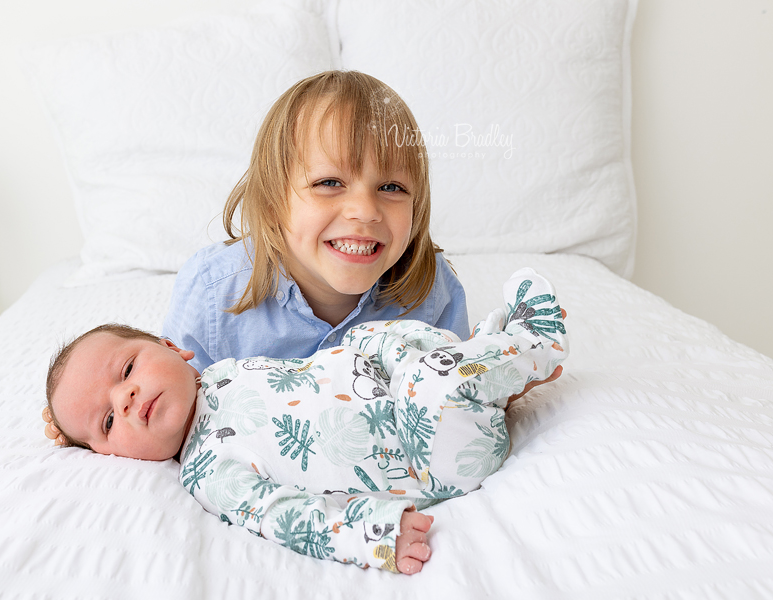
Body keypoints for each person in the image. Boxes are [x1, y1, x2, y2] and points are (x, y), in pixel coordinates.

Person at [44, 268, 568, 575]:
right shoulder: (207, 471)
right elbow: (285, 516)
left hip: (393, 382)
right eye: (109, 420)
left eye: (128, 369)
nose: (129, 397)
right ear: (112, 456)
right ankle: (530, 346)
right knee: (436, 385)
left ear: (171, 346)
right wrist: (373, 535)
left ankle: (485, 348)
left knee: (374, 338)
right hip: (430, 453)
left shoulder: (224, 371)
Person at [161, 70, 470, 375]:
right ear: (272, 204)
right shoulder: (210, 295)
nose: (364, 211)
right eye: (329, 182)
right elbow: (178, 414)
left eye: (391, 187)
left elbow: (457, 403)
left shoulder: (431, 291)